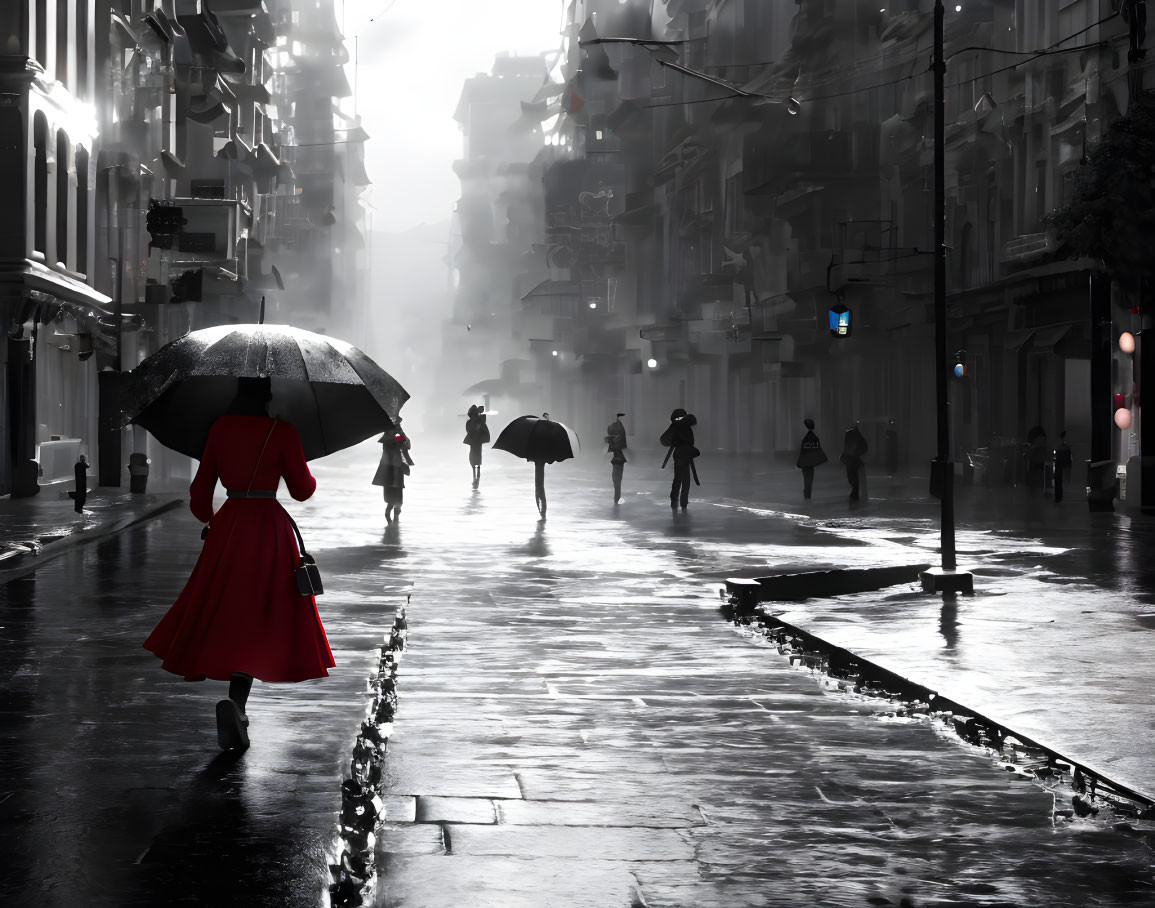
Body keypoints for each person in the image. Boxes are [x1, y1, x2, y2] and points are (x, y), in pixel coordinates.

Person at [143, 377, 334, 752]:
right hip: (270, 530)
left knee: (224, 607)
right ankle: (239, 702)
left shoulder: (220, 428)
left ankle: (236, 700)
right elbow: (302, 490)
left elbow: (200, 495)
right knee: (261, 611)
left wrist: (213, 520)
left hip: (228, 526)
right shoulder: (282, 431)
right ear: (268, 397)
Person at [374, 421, 414, 523]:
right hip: (394, 469)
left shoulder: (389, 436)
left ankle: (391, 514)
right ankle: (393, 515)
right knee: (396, 496)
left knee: (393, 496)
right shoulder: (395, 435)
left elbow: (403, 445)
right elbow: (404, 446)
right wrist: (403, 436)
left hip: (390, 469)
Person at [796, 418, 827, 500]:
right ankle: (808, 493)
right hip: (811, 461)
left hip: (805, 461)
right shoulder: (815, 437)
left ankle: (807, 493)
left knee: (807, 478)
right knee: (810, 478)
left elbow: (803, 451)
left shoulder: (805, 438)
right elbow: (817, 449)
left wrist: (799, 463)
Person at [841, 421, 869, 502]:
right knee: (853, 477)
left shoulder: (851, 433)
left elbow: (847, 447)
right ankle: (855, 493)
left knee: (852, 477)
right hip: (852, 458)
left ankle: (855, 494)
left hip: (852, 459)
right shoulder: (853, 434)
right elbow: (864, 447)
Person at [463, 404, 490, 489]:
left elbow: (483, 430)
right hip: (473, 442)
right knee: (473, 460)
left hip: (477, 442)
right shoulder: (471, 422)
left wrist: (479, 426)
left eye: (474, 414)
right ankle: (475, 478)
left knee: (477, 460)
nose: (473, 416)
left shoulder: (480, 422)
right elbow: (469, 431)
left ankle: (476, 479)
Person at [606, 412, 627, 503]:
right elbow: (620, 440)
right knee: (617, 478)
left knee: (616, 478)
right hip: (618, 456)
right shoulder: (619, 426)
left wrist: (610, 441)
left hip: (616, 456)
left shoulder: (613, 426)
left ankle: (617, 497)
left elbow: (615, 440)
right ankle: (617, 497)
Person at [534, 412, 551, 518]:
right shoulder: (545, 438)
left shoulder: (536, 437)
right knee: (540, 486)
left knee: (538, 486)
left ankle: (542, 511)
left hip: (538, 462)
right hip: (540, 462)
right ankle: (542, 511)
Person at [1054, 430, 1073, 503]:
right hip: (1063, 466)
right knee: (1062, 481)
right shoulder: (1066, 447)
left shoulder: (1060, 447)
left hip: (1060, 467)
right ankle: (1059, 497)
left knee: (1059, 481)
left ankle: (1058, 497)